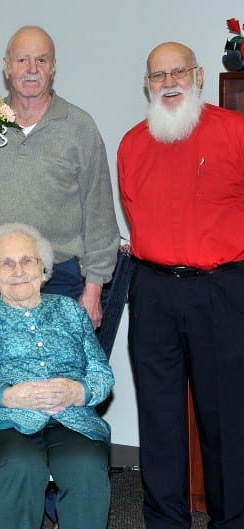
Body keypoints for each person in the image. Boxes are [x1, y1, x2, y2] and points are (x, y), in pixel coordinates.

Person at [117, 41, 244, 529]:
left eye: (177, 72)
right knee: (159, 420)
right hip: (152, 292)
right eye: (157, 75)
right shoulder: (132, 143)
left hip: (222, 292)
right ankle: (164, 521)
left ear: (198, 76)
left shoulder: (234, 132)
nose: (168, 82)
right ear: (147, 84)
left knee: (226, 422)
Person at [0, 25, 119, 325]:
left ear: (53, 68)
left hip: (58, 281)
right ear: (6, 67)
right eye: (22, 60)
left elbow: (100, 215)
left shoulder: (79, 127)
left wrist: (93, 289)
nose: (32, 69)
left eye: (41, 60)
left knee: (58, 373)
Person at [0, 222, 114, 529]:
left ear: (43, 268)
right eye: (7, 263)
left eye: (27, 260)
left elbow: (101, 373)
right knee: (22, 465)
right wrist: (9, 396)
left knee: (88, 465)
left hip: (70, 416)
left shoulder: (71, 311)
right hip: (2, 419)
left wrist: (78, 391)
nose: (18, 271)